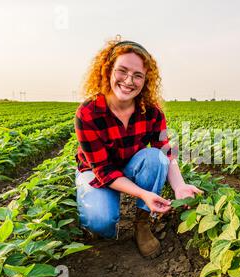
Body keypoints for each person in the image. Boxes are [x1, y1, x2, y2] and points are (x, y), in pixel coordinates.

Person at [74, 38, 202, 259]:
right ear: (107, 71)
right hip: (97, 172)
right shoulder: (88, 113)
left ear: (146, 80)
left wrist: (179, 186)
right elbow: (103, 170)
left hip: (131, 165)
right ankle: (102, 206)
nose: (128, 81)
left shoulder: (151, 111)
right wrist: (143, 192)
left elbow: (164, 150)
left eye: (138, 75)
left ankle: (142, 223)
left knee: (156, 158)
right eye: (122, 71)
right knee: (100, 221)